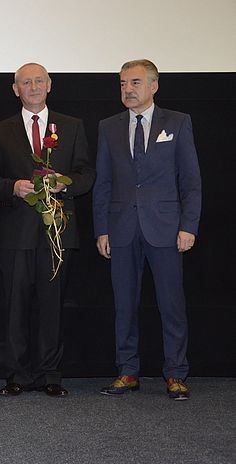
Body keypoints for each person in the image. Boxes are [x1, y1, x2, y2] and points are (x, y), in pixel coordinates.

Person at [0, 63, 95, 397]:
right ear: (15, 89)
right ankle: (16, 374)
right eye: (26, 82)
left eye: (38, 81)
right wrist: (12, 187)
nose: (33, 87)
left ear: (49, 85)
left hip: (58, 231)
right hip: (14, 234)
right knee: (15, 308)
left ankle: (50, 375)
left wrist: (64, 183)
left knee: (52, 306)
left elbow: (87, 174)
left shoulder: (72, 126)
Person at [93, 59, 201, 401]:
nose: (128, 89)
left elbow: (191, 181)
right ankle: (127, 371)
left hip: (166, 228)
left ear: (154, 86)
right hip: (121, 228)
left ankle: (176, 373)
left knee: (171, 304)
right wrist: (102, 229)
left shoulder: (178, 122)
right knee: (124, 305)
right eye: (123, 83)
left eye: (135, 82)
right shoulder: (108, 127)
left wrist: (188, 226)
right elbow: (103, 183)